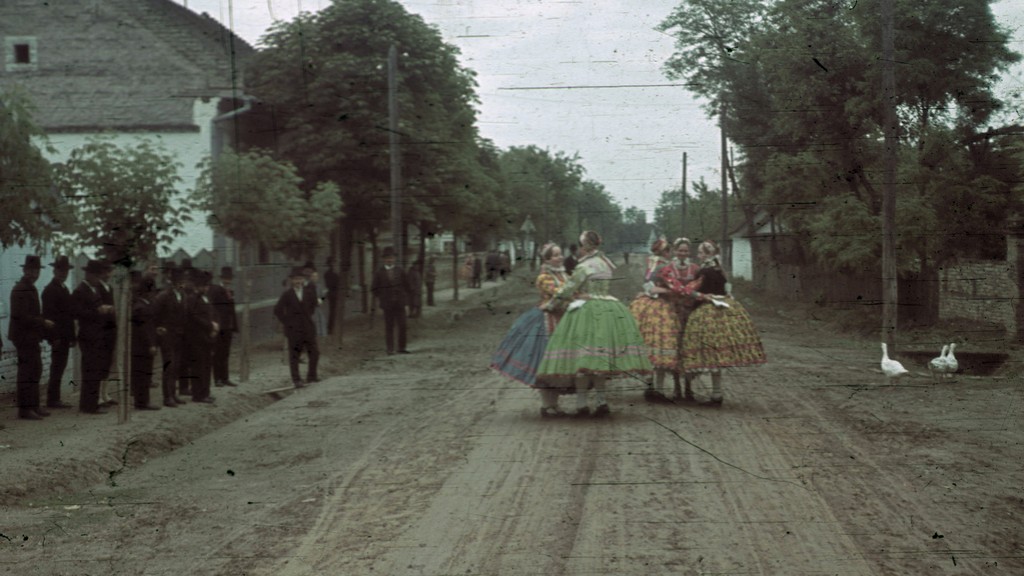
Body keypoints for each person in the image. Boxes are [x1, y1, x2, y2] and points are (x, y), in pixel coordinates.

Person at [536, 230, 652, 417]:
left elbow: (567, 290)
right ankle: (601, 401)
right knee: (600, 359)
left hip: (587, 309)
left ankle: (582, 404)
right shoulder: (605, 264)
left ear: (586, 246)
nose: (580, 249)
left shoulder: (584, 266)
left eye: (582, 246)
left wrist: (551, 304)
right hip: (608, 308)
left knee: (584, 360)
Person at [490, 242, 573, 417]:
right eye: (556, 255)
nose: (560, 257)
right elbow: (560, 293)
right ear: (548, 259)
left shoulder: (563, 274)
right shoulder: (544, 277)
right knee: (544, 362)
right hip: (548, 319)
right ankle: (546, 405)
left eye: (560, 254)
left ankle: (554, 404)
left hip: (563, 319)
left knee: (559, 364)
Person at [680, 240, 767, 406]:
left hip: (707, 310)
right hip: (724, 307)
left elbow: (691, 291)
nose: (698, 255)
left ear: (706, 254)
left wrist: (692, 299)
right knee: (718, 351)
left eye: (700, 253)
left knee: (709, 353)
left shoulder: (704, 271)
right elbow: (727, 289)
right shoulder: (720, 269)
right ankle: (716, 392)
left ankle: (715, 393)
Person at [629, 238, 690, 403]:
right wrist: (670, 290)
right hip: (663, 305)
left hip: (649, 305)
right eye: (667, 250)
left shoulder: (652, 262)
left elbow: (647, 285)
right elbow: (652, 286)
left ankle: (651, 385)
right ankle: (659, 389)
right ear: (665, 252)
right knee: (662, 346)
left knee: (649, 344)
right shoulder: (664, 265)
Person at [8, 255, 54, 420]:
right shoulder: (21, 289)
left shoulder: (30, 287)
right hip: (23, 336)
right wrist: (43, 322)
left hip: (31, 336)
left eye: (37, 271)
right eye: (31, 270)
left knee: (35, 369)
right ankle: (25, 409)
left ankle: (33, 405)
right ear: (25, 270)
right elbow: (22, 317)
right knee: (27, 372)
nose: (34, 274)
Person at [72, 259, 117, 414]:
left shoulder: (93, 289)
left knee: (95, 370)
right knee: (90, 370)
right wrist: (98, 311)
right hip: (88, 335)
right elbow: (77, 313)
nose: (98, 278)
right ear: (89, 274)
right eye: (96, 275)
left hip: (97, 335)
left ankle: (91, 403)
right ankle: (88, 405)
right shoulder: (80, 290)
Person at [274, 267, 320, 386]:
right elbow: (278, 310)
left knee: (314, 352)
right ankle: (296, 379)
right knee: (294, 355)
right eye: (295, 279)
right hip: (294, 330)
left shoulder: (308, 292)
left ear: (303, 280)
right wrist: (287, 322)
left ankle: (312, 376)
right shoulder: (287, 295)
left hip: (308, 328)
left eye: (300, 279)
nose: (298, 281)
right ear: (291, 280)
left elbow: (313, 306)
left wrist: (307, 317)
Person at [41, 255, 76, 409]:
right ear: (55, 270)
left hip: (65, 336)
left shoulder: (64, 288)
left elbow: (69, 315)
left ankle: (55, 398)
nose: (64, 273)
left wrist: (72, 337)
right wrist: (54, 337)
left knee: (60, 366)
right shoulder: (50, 290)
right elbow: (50, 316)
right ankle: (52, 399)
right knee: (56, 367)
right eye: (61, 270)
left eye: (66, 271)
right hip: (57, 337)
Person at [671, 237, 702, 402]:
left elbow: (701, 285)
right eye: (680, 250)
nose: (683, 253)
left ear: (689, 252)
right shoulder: (669, 268)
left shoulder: (695, 268)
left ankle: (689, 389)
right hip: (674, 312)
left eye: (685, 251)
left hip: (690, 312)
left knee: (689, 349)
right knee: (676, 348)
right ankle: (676, 387)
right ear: (675, 251)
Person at [153, 266, 188, 407]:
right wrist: (159, 329)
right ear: (172, 281)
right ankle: (167, 397)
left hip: (179, 336)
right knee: (169, 365)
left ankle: (174, 394)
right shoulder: (164, 296)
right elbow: (155, 315)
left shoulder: (183, 295)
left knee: (176, 365)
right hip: (167, 336)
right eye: (178, 280)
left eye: (182, 280)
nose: (181, 283)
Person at [185, 270, 219, 403]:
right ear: (197, 287)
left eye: (206, 286)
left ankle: (205, 391)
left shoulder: (206, 298)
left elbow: (213, 313)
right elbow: (194, 317)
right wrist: (210, 325)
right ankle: (198, 394)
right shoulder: (192, 299)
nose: (206, 288)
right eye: (203, 286)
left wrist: (215, 324)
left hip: (207, 337)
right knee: (198, 367)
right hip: (197, 337)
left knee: (206, 366)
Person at [371, 247, 410, 355]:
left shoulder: (400, 270)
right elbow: (374, 288)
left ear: (395, 259)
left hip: (400, 303)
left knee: (402, 325)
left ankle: (402, 347)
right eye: (387, 258)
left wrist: (406, 302)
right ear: (384, 259)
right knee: (389, 326)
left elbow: (407, 287)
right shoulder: (379, 272)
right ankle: (390, 348)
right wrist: (382, 298)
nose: (390, 260)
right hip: (387, 304)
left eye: (392, 258)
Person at [130, 272, 160, 410]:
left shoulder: (143, 305)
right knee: (142, 374)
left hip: (142, 346)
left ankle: (143, 401)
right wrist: (151, 344)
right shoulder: (141, 307)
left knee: (145, 373)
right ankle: (142, 402)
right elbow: (144, 329)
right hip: (142, 347)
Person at [207, 266, 238, 387]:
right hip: (219, 326)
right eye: (226, 279)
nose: (228, 281)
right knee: (218, 353)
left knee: (225, 353)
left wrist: (234, 326)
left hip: (228, 327)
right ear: (221, 278)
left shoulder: (230, 291)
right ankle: (217, 379)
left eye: (229, 279)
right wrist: (214, 323)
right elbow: (211, 308)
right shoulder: (215, 290)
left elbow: (231, 310)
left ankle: (225, 378)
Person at [323, 260, 340, 335]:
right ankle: (331, 328)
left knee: (333, 311)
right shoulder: (332, 274)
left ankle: (331, 327)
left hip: (332, 293)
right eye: (333, 263)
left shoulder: (327, 274)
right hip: (334, 293)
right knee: (333, 311)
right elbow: (334, 284)